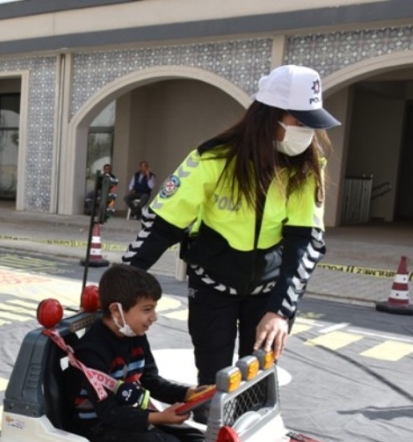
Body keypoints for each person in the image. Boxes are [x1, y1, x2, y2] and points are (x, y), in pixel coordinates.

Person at [121, 65, 339, 421]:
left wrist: (281, 310)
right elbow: (160, 227)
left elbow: (306, 242)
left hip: (269, 291)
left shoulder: (307, 166)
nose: (308, 132)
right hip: (212, 286)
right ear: (269, 116)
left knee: (256, 381)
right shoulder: (211, 159)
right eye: (300, 121)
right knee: (213, 382)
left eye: (311, 123)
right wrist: (119, 283)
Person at [69, 264, 204, 442]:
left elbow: (150, 380)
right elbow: (108, 412)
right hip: (97, 426)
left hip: (128, 415)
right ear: (116, 311)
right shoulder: (91, 351)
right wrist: (159, 417)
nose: (154, 317)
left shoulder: (135, 335)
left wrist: (188, 393)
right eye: (147, 309)